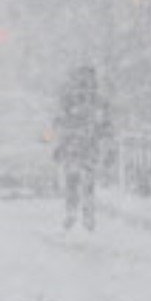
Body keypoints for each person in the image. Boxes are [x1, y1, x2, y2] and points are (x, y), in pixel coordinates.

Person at [54, 65, 111, 231]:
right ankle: (83, 214)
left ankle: (79, 213)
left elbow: (59, 122)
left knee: (79, 181)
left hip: (80, 146)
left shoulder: (74, 100)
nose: (86, 85)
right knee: (82, 181)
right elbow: (105, 124)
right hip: (82, 146)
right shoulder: (90, 101)